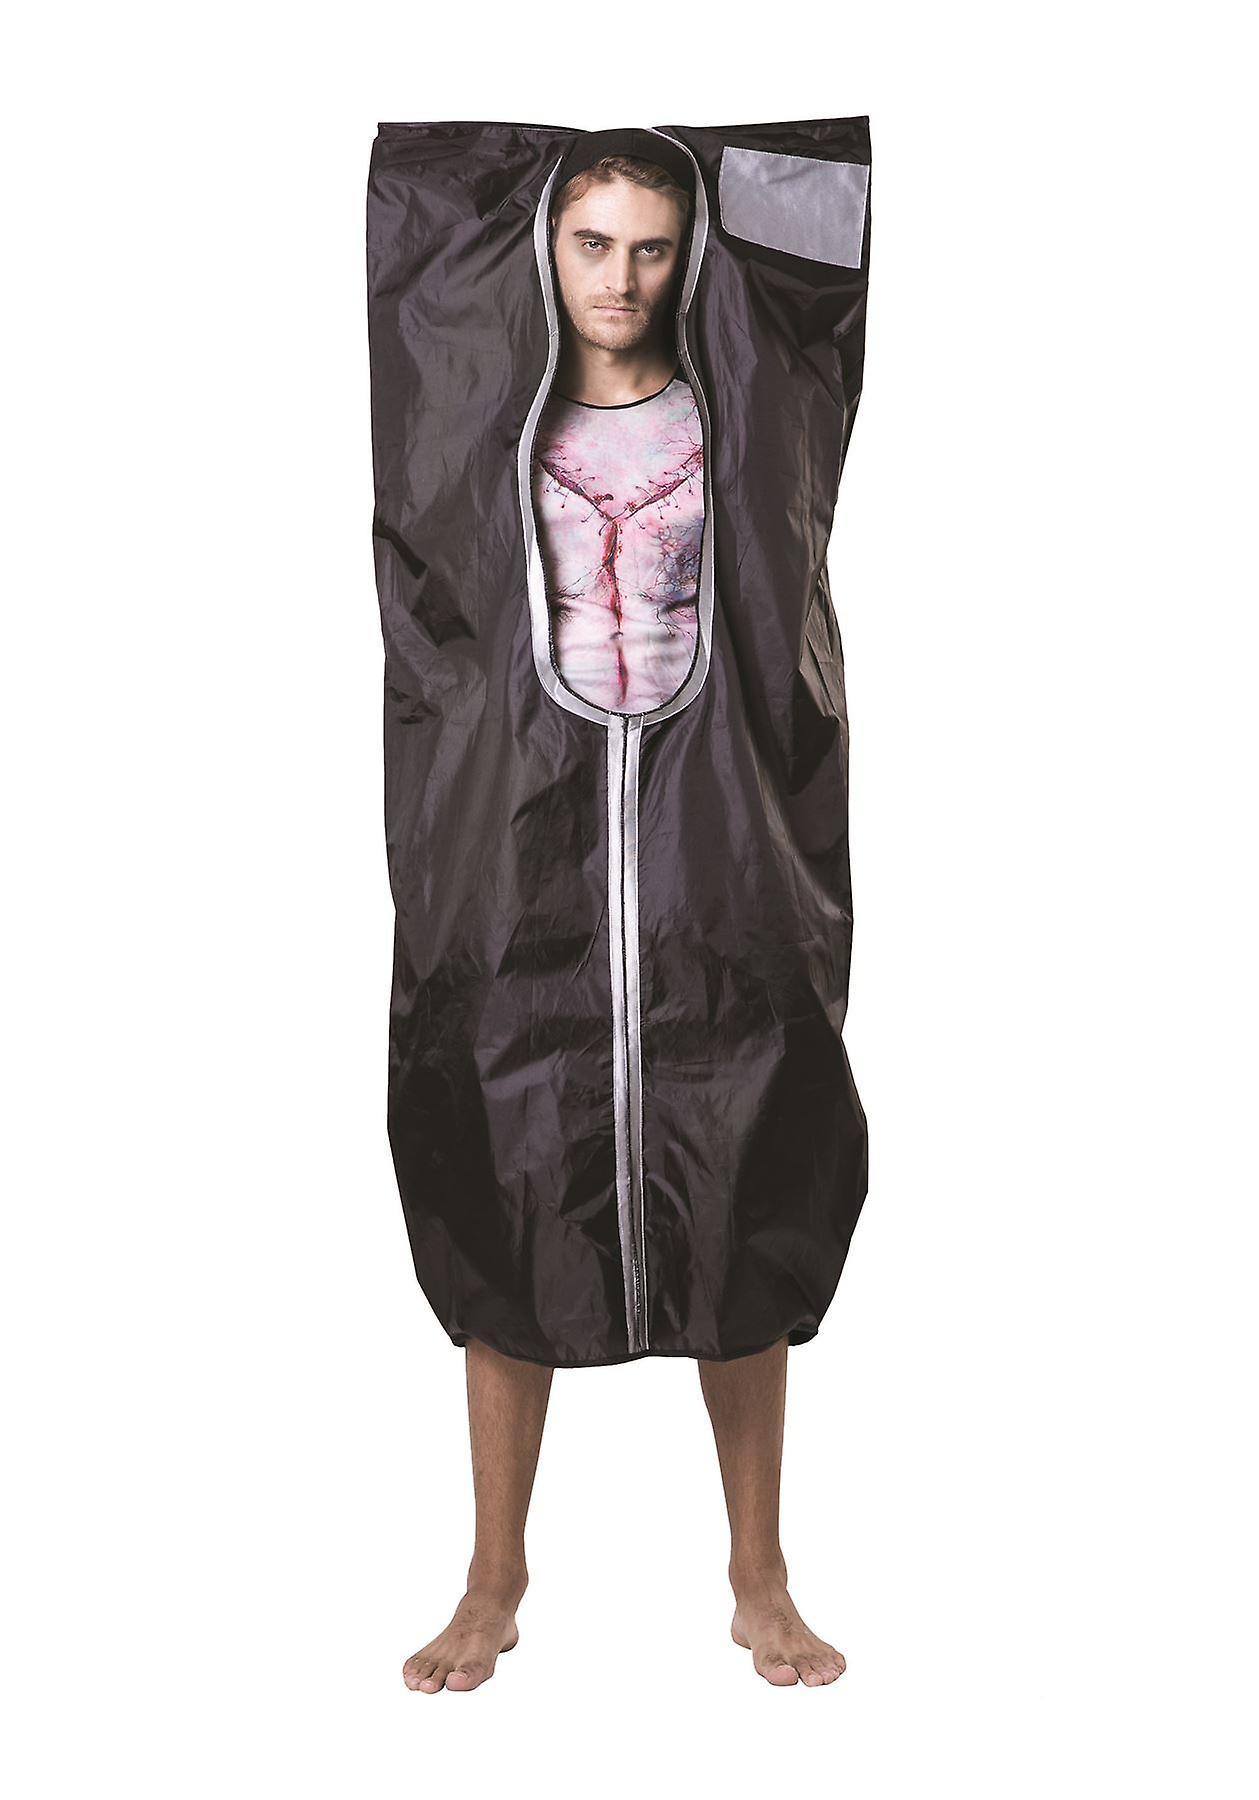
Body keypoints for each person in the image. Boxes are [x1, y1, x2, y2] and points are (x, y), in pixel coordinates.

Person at [402, 154, 847, 1697]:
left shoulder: (737, 419)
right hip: (526, 839)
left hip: (714, 832)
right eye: (591, 241)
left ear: (689, 258)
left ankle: (759, 1577)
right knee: (508, 1164)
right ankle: (493, 1577)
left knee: (742, 1165)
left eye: (654, 248)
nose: (620, 279)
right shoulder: (490, 427)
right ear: (544, 243)